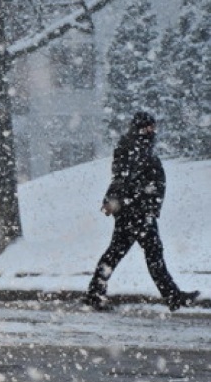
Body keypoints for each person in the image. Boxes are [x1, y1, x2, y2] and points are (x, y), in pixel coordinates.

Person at [84, 111, 199, 312]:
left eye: (153, 127)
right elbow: (121, 178)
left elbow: (126, 179)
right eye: (148, 127)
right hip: (135, 212)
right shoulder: (130, 148)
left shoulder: (141, 147)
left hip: (138, 210)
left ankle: (94, 293)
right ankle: (173, 297)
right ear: (139, 127)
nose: (152, 130)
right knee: (150, 253)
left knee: (117, 253)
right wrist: (120, 200)